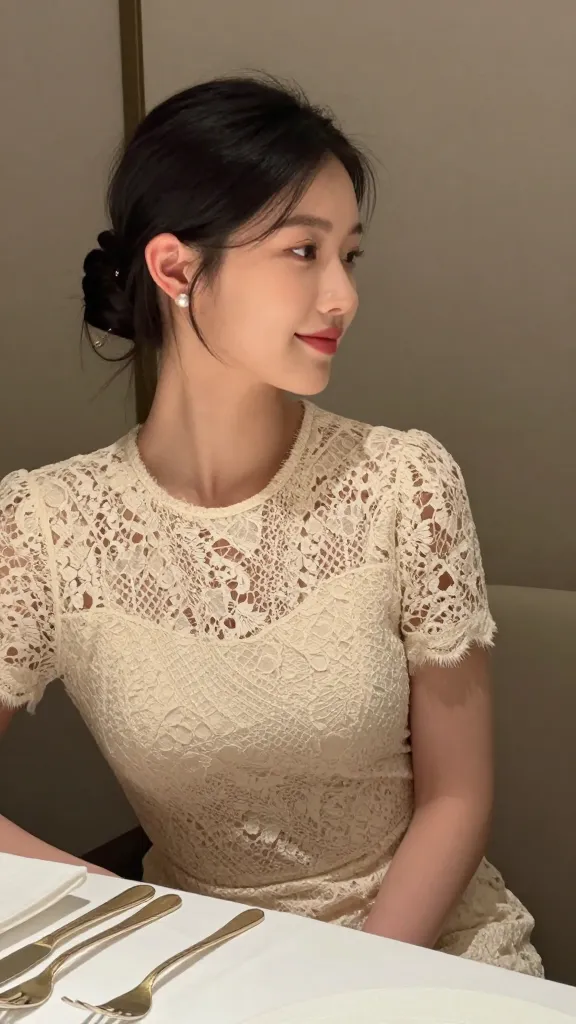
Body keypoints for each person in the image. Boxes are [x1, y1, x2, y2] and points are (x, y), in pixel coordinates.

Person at [0, 75, 541, 975]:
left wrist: (348, 984)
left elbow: (457, 801)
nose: (342, 295)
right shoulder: (47, 526)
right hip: (196, 970)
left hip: (423, 956)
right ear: (176, 269)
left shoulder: (403, 482)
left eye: (349, 256)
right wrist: (132, 917)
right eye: (303, 251)